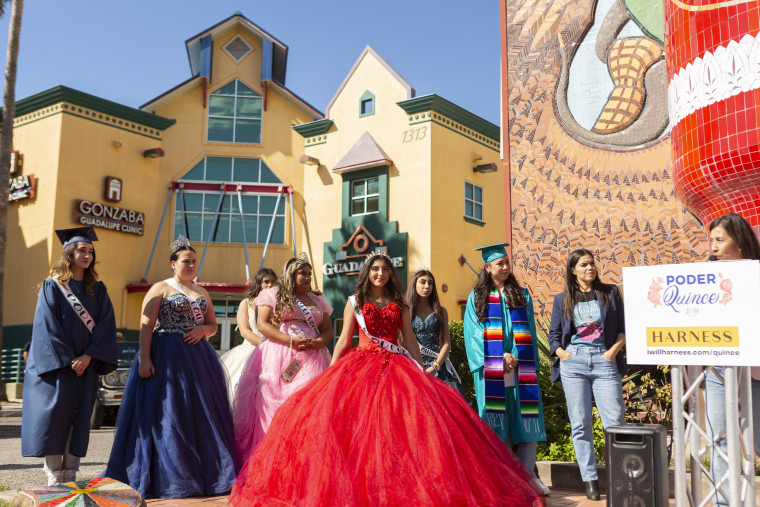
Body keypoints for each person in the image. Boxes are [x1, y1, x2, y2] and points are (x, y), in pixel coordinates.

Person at [228, 252, 544, 507]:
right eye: (375, 269)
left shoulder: (400, 304)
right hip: (359, 367)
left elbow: (408, 340)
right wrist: (329, 374)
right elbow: (341, 341)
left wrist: (422, 372)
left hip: (397, 368)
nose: (380, 273)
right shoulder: (354, 302)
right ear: (368, 273)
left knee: (403, 432)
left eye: (385, 269)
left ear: (391, 274)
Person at [105, 237, 239, 499]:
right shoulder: (160, 288)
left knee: (199, 415)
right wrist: (145, 358)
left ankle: (203, 473)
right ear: (173, 264)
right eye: (185, 261)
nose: (190, 265)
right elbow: (146, 326)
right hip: (166, 357)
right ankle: (168, 475)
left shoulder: (202, 292)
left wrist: (202, 329)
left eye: (193, 261)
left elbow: (212, 325)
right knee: (169, 414)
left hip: (198, 361)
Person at [21, 226, 118, 485]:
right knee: (55, 417)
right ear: (69, 254)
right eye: (81, 250)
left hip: (86, 365)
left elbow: (106, 326)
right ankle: (54, 474)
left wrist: (87, 357)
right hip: (58, 366)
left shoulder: (97, 290)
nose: (87, 255)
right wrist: (68, 360)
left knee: (81, 416)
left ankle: (72, 473)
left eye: (90, 251)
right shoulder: (52, 287)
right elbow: (46, 327)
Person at [464, 242, 549, 495]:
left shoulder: (521, 295)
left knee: (527, 419)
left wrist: (517, 357)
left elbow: (529, 332)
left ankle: (528, 477)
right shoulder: (476, 298)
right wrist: (499, 356)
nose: (504, 267)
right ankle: (502, 478)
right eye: (499, 263)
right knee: (494, 423)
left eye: (506, 262)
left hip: (520, 368)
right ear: (487, 267)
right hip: (493, 368)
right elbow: (473, 333)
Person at [233, 253, 332, 462]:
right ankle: (276, 458)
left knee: (309, 406)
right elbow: (262, 324)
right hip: (282, 355)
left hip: (314, 358)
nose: (307, 277)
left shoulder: (317, 300)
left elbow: (327, 330)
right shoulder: (274, 294)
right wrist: (290, 340)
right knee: (281, 404)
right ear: (290, 274)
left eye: (309, 273)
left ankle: (305, 458)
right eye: (302, 273)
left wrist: (319, 342)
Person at [548, 248, 626, 501]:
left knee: (614, 423)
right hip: (574, 362)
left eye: (591, 263)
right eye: (583, 265)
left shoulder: (610, 293)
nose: (589, 268)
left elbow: (623, 329)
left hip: (605, 361)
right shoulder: (562, 299)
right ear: (573, 270)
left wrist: (613, 351)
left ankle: (618, 477)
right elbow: (554, 334)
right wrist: (561, 352)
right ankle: (590, 479)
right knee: (580, 423)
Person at [704, 212, 760, 506]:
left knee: (757, 440)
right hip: (717, 369)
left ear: (739, 240)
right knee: (720, 439)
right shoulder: (703, 277)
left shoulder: (757, 272)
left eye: (720, 239)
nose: (713, 246)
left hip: (754, 370)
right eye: (711, 240)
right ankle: (724, 503)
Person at [220, 268, 277, 403]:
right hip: (250, 351)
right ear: (259, 283)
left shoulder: (279, 305)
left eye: (273, 282)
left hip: (274, 352)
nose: (270, 285)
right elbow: (244, 331)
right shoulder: (246, 303)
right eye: (266, 281)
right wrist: (265, 346)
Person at [405, 267, 465, 395]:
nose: (427, 286)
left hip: (438, 367)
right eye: (422, 282)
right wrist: (414, 366)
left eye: (430, 283)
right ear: (414, 284)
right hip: (413, 367)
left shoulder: (441, 311)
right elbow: (400, 342)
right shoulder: (405, 311)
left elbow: (446, 343)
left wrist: (435, 367)